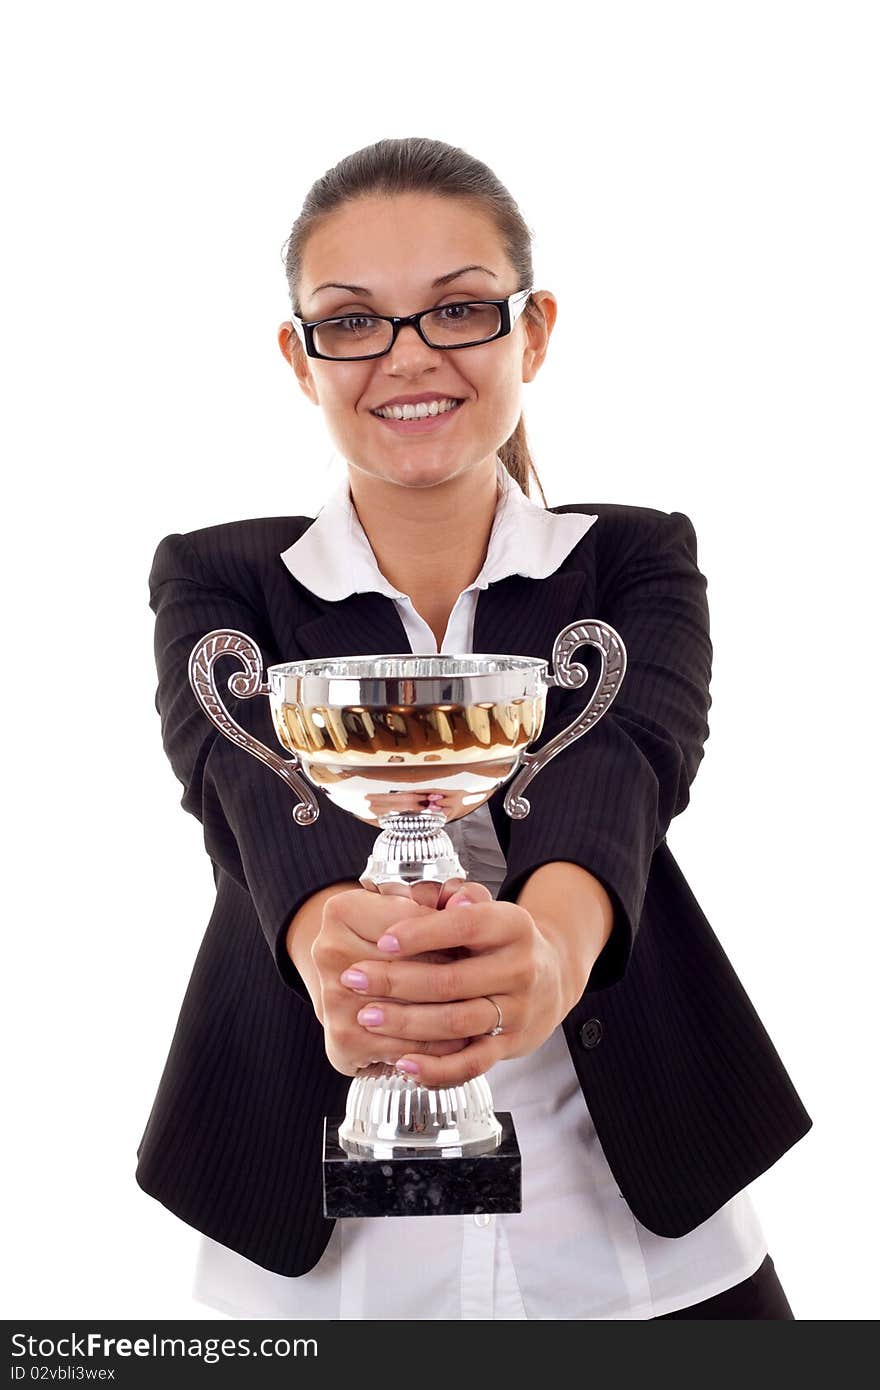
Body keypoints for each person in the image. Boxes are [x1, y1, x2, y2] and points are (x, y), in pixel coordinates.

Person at [137, 136, 811, 1320]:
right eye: (352, 322)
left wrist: (544, 955)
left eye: (457, 310)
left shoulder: (635, 559)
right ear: (300, 359)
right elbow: (246, 800)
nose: (407, 357)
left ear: (532, 332)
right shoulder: (218, 582)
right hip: (314, 1260)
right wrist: (331, 951)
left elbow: (625, 765)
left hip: (639, 1241)